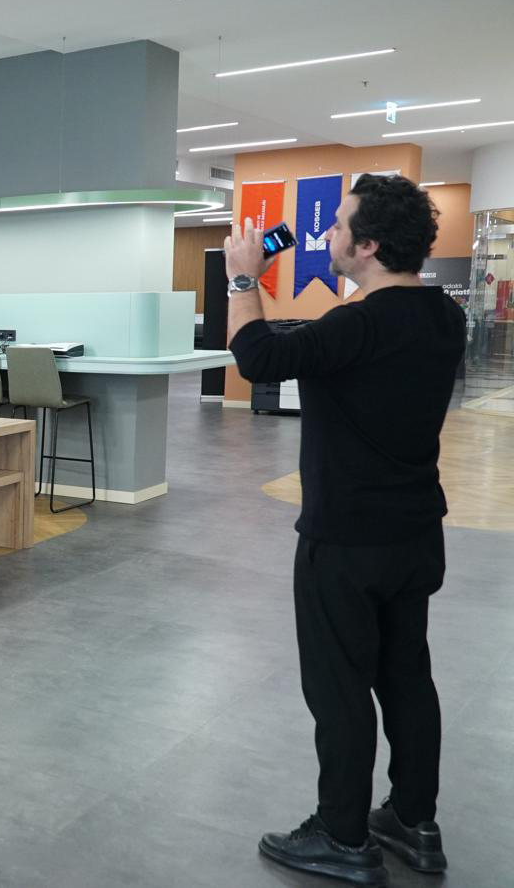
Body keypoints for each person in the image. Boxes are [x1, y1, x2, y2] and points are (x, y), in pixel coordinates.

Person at [227, 176, 463, 885]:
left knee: (339, 689)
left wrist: (243, 277)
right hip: (415, 535)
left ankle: (343, 834)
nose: (326, 234)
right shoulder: (444, 317)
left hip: (346, 541)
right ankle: (414, 820)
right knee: (406, 675)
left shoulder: (355, 325)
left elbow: (256, 357)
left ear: (367, 246)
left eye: (337, 225)